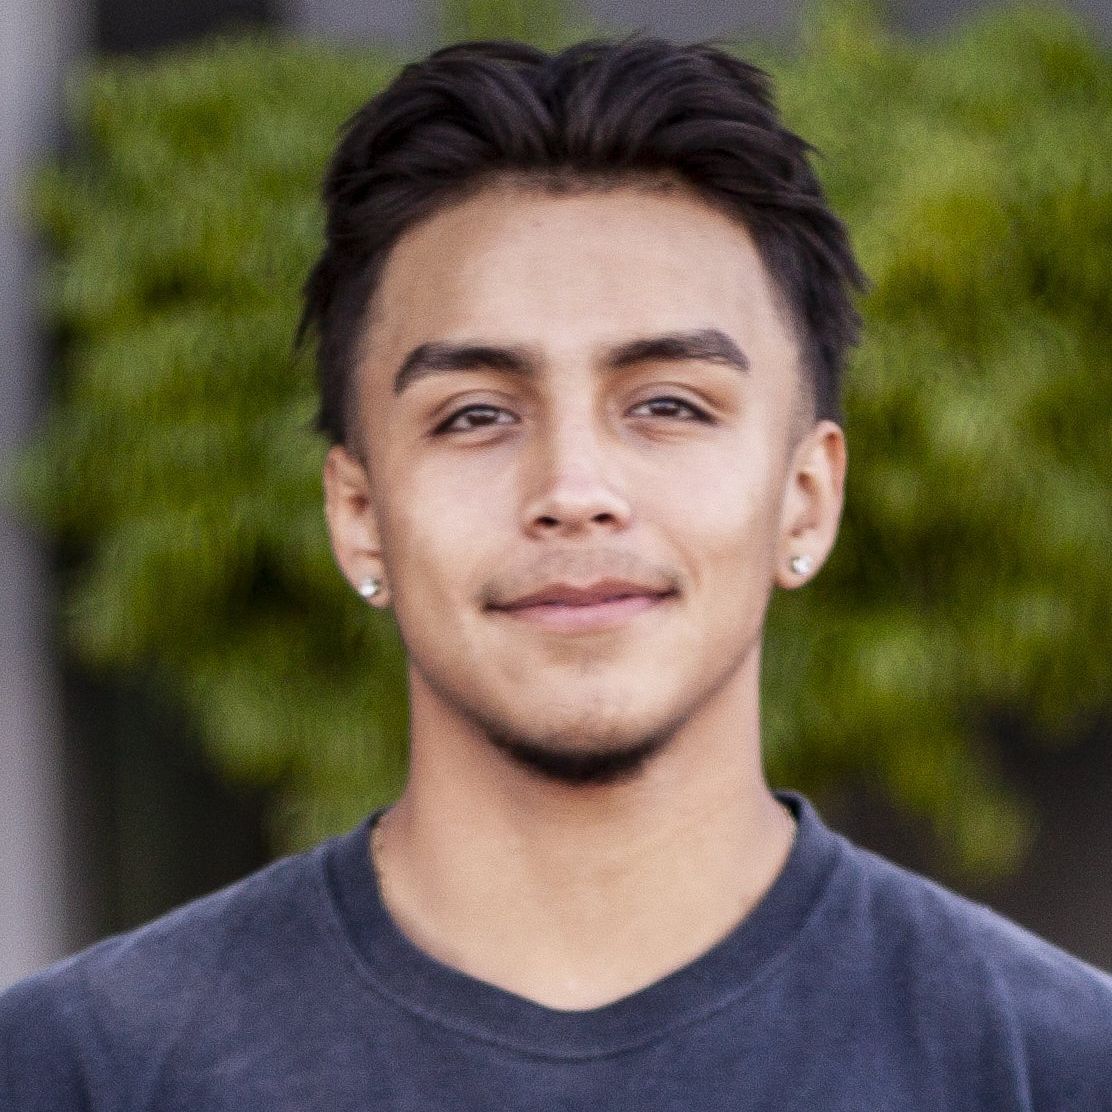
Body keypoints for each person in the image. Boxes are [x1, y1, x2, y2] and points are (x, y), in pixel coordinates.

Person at [2, 35, 1110, 1112]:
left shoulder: (1053, 1065)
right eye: (475, 414)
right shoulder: (83, 1068)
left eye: (668, 403)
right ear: (358, 514)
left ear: (804, 496)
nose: (573, 485)